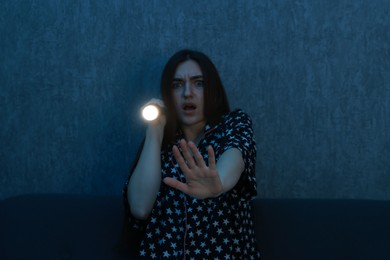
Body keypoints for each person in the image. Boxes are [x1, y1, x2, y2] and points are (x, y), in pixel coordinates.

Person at [121, 49, 260, 259]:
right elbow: (140, 208)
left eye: (198, 83)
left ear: (212, 89)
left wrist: (218, 183)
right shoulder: (161, 142)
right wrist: (154, 132)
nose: (187, 92)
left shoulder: (233, 124)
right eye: (177, 85)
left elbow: (235, 156)